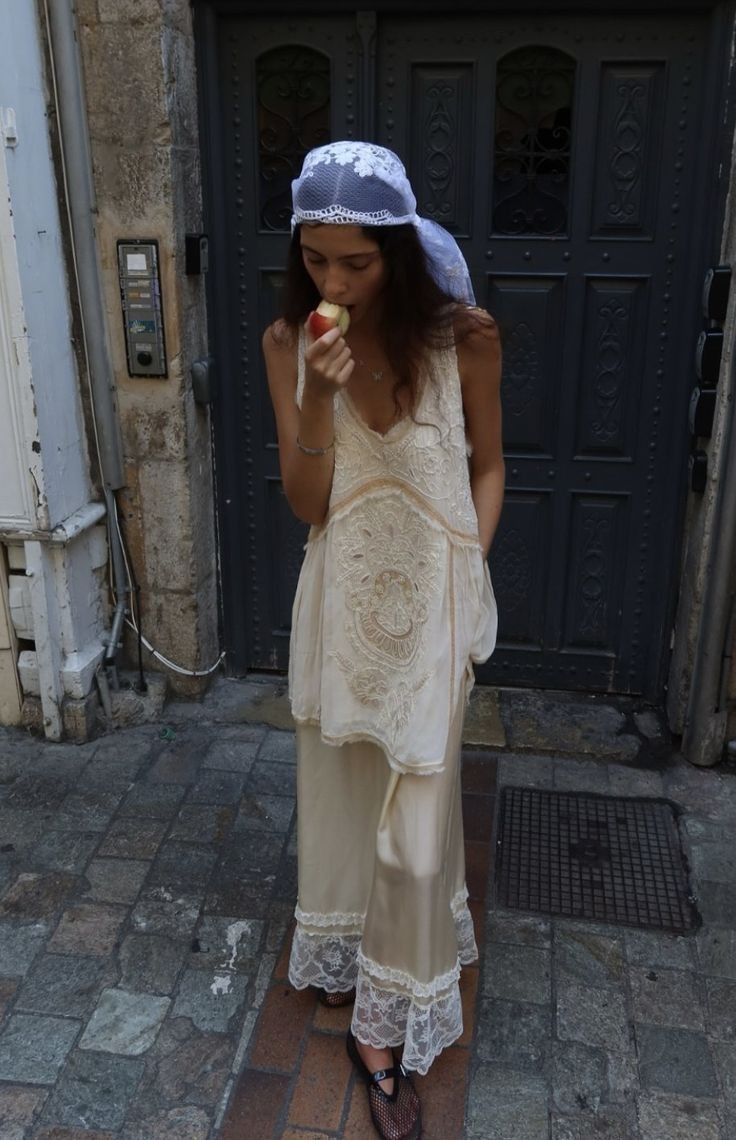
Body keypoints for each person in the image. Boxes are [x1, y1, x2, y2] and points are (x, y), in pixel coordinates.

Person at [262, 141, 503, 1140]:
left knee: (411, 825)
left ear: (398, 254)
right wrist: (317, 392)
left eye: (355, 263)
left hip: (433, 610)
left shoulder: (465, 340)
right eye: (317, 259)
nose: (333, 281)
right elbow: (308, 501)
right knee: (341, 793)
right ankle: (361, 944)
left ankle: (381, 1022)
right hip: (345, 596)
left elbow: (490, 465)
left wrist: (466, 570)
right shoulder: (291, 342)